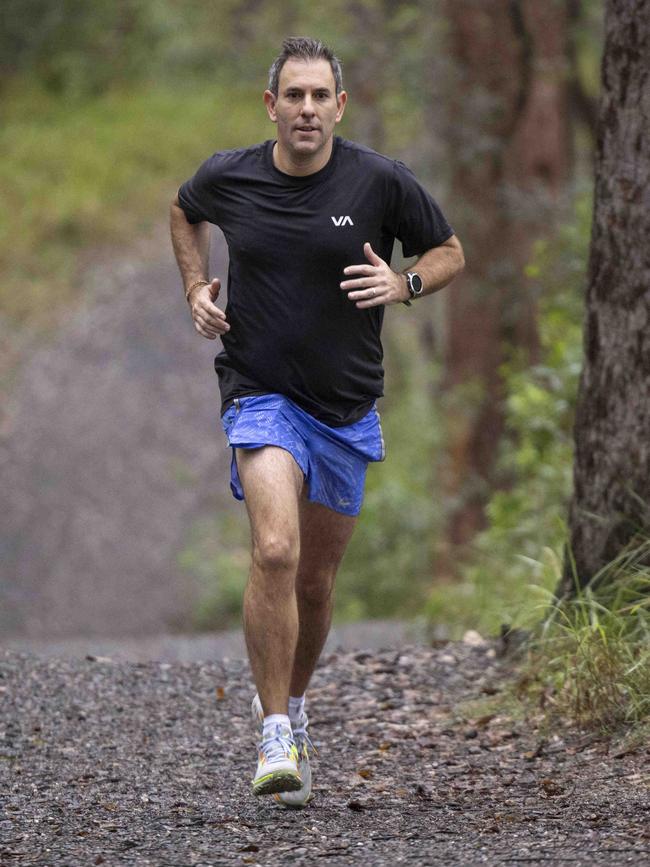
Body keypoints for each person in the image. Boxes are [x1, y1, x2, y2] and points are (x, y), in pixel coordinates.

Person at [170, 36, 465, 807]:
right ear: (272, 106)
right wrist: (197, 287)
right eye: (292, 95)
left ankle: (296, 706)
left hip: (345, 405)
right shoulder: (230, 175)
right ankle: (272, 731)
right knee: (274, 549)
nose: (306, 109)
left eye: (318, 96)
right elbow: (184, 209)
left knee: (315, 578)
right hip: (259, 392)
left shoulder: (378, 181)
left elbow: (450, 251)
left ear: (340, 104)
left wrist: (404, 284)